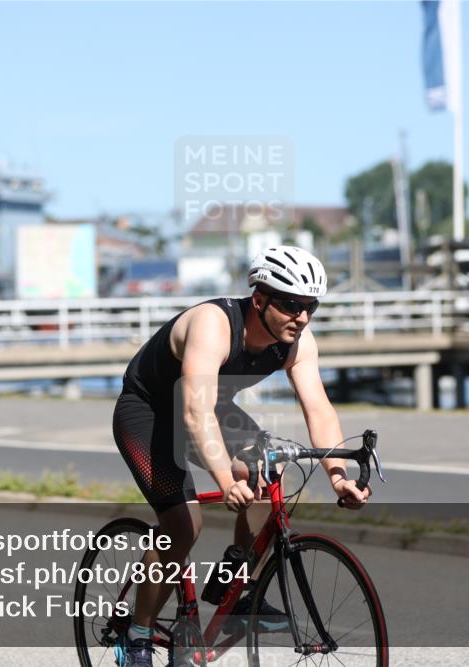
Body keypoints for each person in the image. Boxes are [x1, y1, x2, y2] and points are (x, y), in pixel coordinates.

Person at [111, 246, 371, 666]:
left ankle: (233, 589)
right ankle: (137, 634)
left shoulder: (297, 343)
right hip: (149, 412)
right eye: (291, 305)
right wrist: (225, 478)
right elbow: (194, 411)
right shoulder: (212, 325)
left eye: (310, 307)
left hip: (213, 410)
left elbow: (318, 408)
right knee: (183, 525)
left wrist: (338, 476)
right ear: (260, 299)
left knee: (271, 478)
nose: (301, 317)